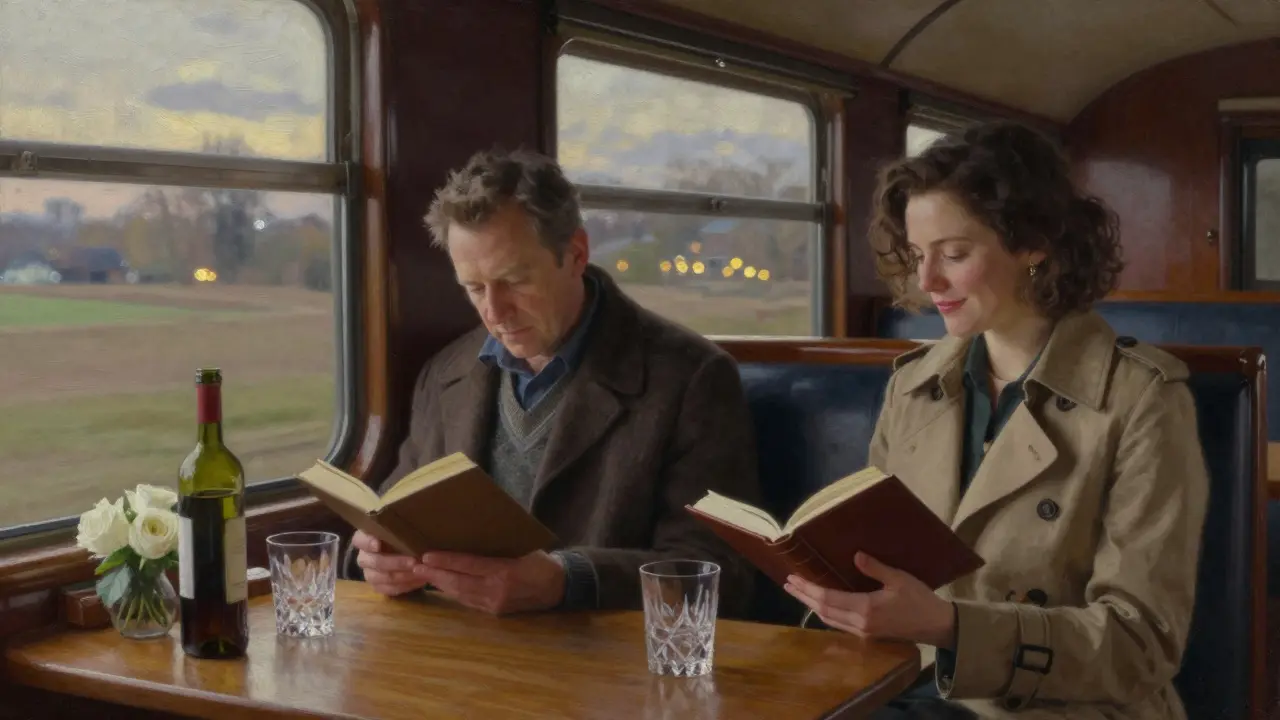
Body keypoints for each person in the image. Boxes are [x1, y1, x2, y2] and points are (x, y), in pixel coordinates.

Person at [783, 122, 1209, 719]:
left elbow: (1140, 647)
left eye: (954, 254)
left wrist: (949, 623)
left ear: (1032, 242)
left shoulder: (1143, 399)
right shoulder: (913, 385)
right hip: (905, 685)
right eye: (917, 254)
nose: (928, 282)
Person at [342, 148, 761, 618]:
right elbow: (394, 519)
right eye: (474, 288)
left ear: (576, 253)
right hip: (462, 658)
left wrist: (568, 582)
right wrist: (377, 563)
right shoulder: (445, 374)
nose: (494, 314)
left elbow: (720, 572)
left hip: (610, 671)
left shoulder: (690, 378)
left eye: (515, 280)